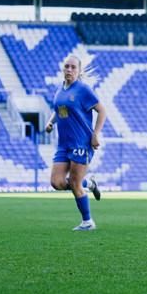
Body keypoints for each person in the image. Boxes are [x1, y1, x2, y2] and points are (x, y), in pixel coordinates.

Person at [45, 55, 105, 230]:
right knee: (57, 183)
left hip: (81, 143)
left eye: (73, 67)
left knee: (75, 183)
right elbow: (60, 109)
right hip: (63, 144)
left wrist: (95, 134)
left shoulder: (83, 89)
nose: (69, 70)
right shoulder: (60, 89)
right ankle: (91, 184)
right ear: (63, 69)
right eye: (66, 66)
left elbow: (102, 111)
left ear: (78, 71)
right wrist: (51, 122)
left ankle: (88, 222)